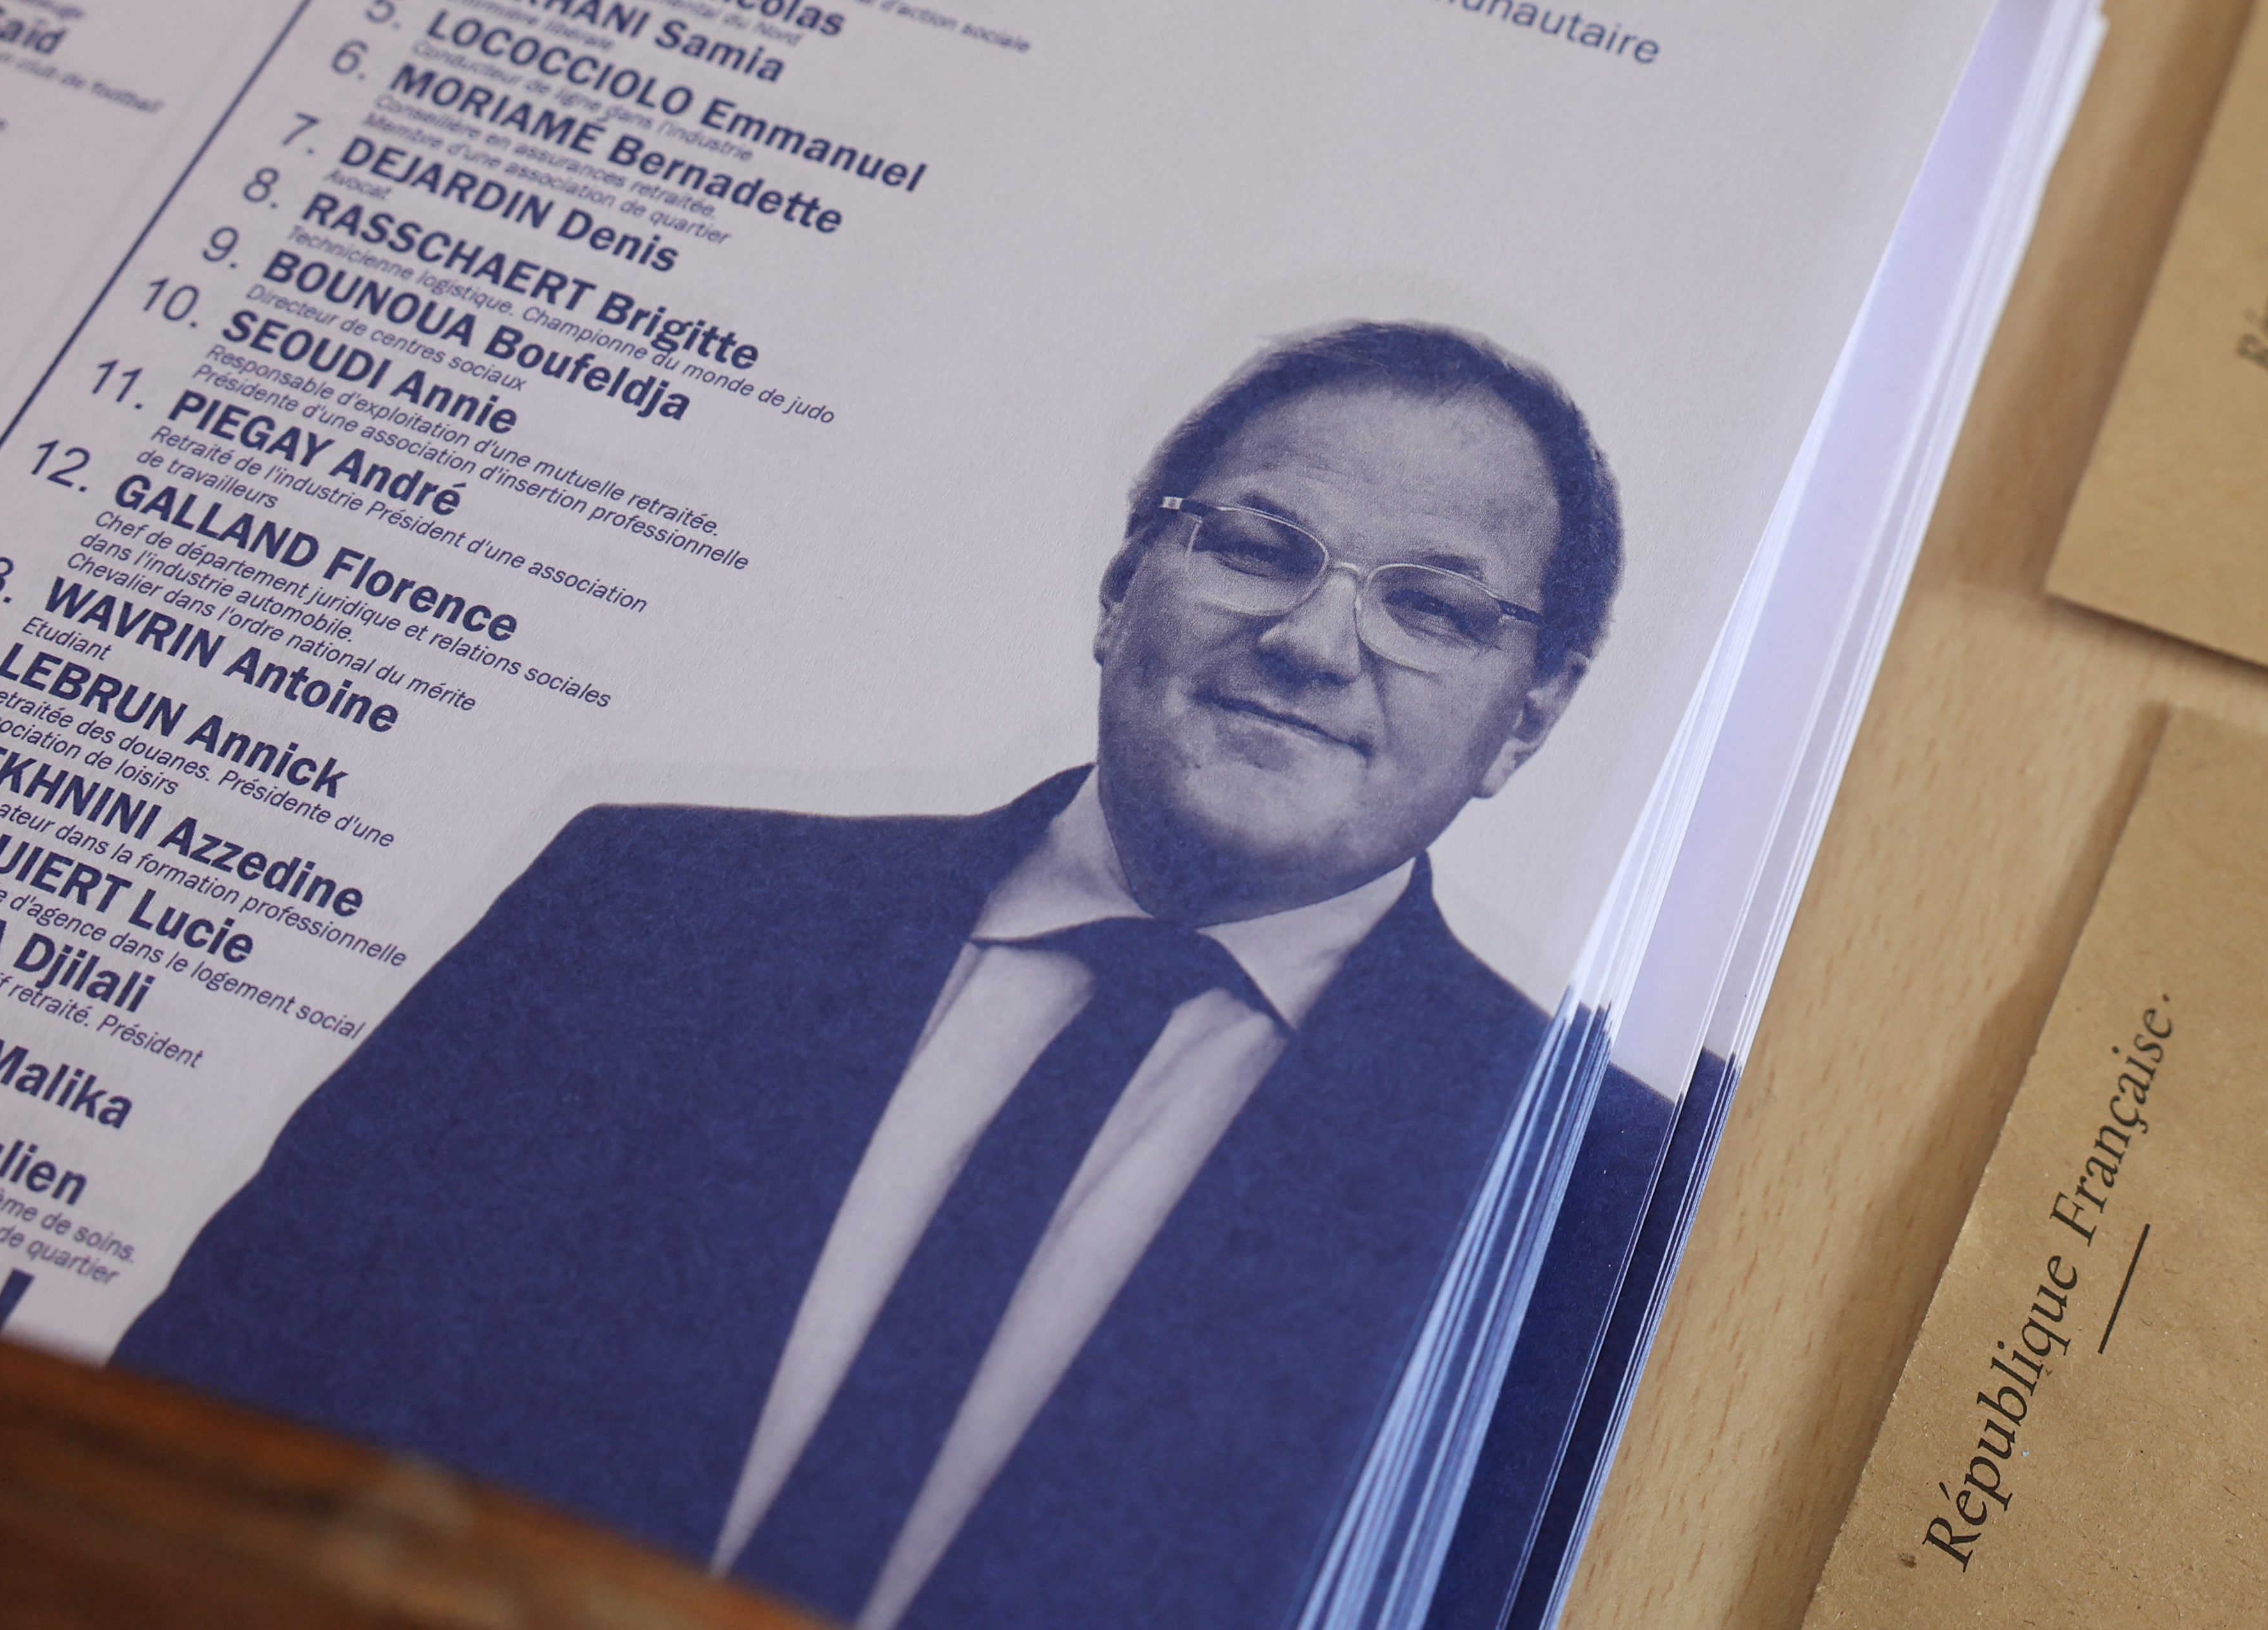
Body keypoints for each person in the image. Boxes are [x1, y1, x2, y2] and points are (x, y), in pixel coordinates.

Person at [114, 319, 1655, 1630]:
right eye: (1257, 546)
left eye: (1433, 607)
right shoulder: (649, 909)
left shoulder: (1587, 1189)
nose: (1315, 639)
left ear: (1527, 715)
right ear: (1124, 585)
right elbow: (198, 1427)